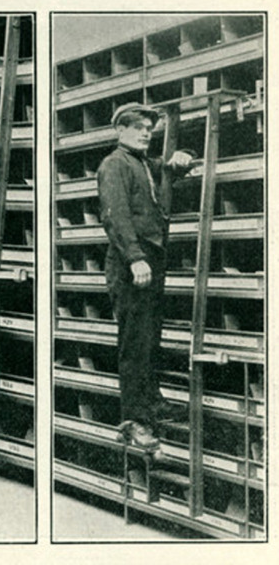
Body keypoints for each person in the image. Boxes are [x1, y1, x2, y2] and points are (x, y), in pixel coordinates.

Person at [97, 103, 195, 450]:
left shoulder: (143, 164)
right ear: (120, 131)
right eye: (137, 127)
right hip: (130, 262)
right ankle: (133, 421)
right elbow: (115, 215)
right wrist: (136, 258)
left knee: (150, 337)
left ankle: (150, 403)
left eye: (148, 130)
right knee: (135, 343)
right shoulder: (114, 164)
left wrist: (182, 159)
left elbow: (166, 170)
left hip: (150, 259)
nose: (144, 133)